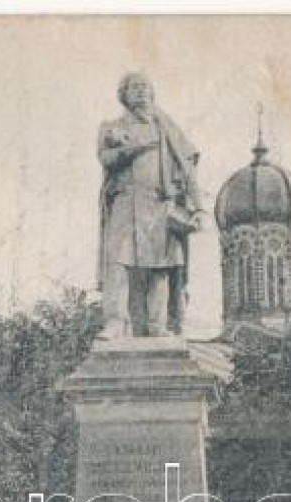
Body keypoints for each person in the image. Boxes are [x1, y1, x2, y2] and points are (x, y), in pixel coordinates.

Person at [96, 72, 202, 338]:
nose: (141, 91)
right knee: (118, 263)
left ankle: (157, 325)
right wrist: (129, 150)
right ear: (124, 95)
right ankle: (115, 322)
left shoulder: (166, 127)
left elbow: (188, 167)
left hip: (160, 204)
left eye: (146, 87)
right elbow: (105, 158)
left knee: (161, 267)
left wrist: (198, 207)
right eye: (134, 87)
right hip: (125, 202)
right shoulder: (112, 126)